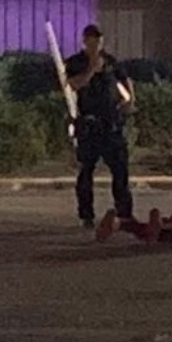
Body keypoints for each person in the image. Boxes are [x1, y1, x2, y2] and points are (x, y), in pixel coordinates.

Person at [64, 24, 134, 238]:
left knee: (120, 170)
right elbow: (74, 84)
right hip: (89, 125)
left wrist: (130, 99)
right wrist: (92, 69)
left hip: (110, 124)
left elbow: (124, 79)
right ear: (85, 41)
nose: (96, 45)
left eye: (99, 41)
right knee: (86, 171)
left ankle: (125, 213)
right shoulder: (76, 62)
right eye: (92, 41)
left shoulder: (110, 62)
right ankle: (86, 214)